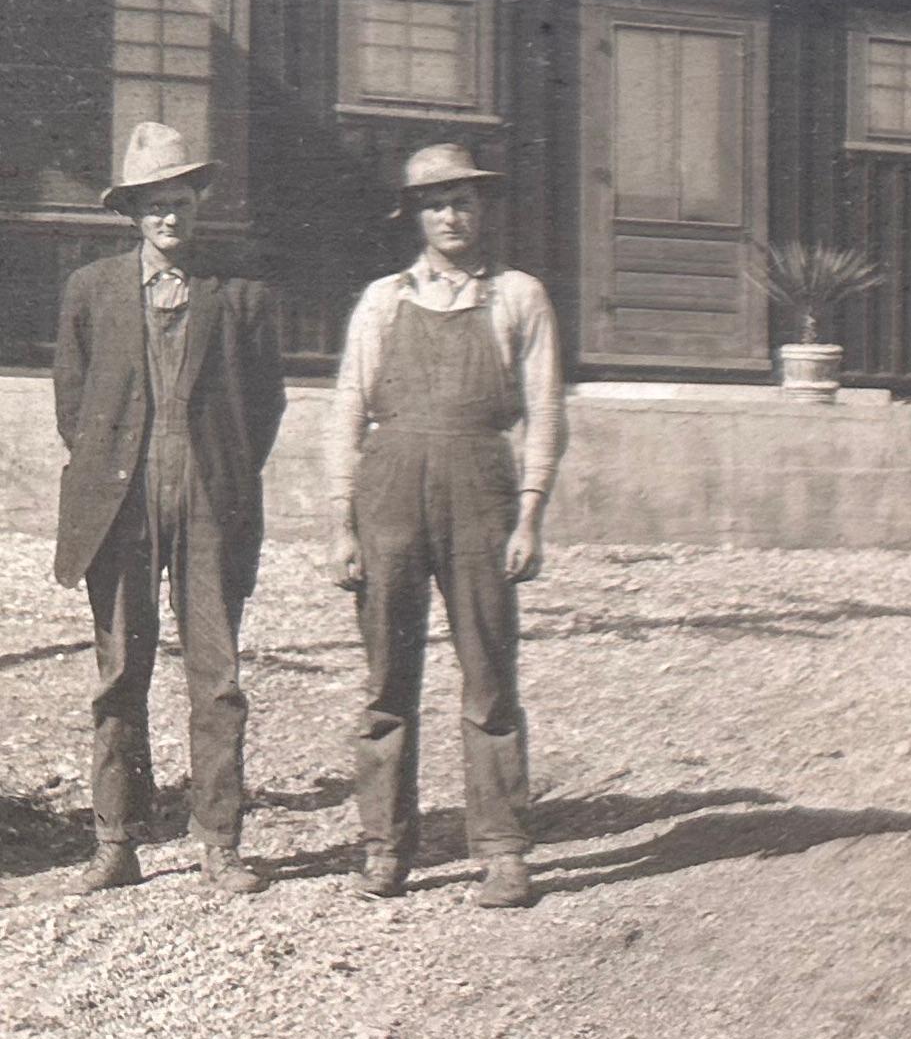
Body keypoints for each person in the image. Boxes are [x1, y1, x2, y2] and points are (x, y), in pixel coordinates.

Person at [326, 141, 570, 909]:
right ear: (417, 216)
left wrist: (530, 513)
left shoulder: (517, 297)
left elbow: (545, 412)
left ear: (481, 208)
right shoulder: (382, 299)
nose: (451, 215)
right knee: (385, 681)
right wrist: (342, 521)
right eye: (436, 203)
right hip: (390, 489)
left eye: (463, 200)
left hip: (482, 495)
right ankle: (384, 848)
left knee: (490, 678)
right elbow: (345, 412)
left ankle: (502, 849)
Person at [49, 122, 289, 896]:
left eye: (181, 203)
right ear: (132, 215)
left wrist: (216, 471)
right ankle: (116, 841)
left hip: (209, 503)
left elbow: (265, 405)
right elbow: (73, 405)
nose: (170, 220)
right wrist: (117, 469)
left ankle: (220, 842)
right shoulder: (90, 290)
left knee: (216, 677)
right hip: (119, 507)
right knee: (121, 672)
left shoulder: (241, 293)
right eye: (155, 207)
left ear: (199, 205)